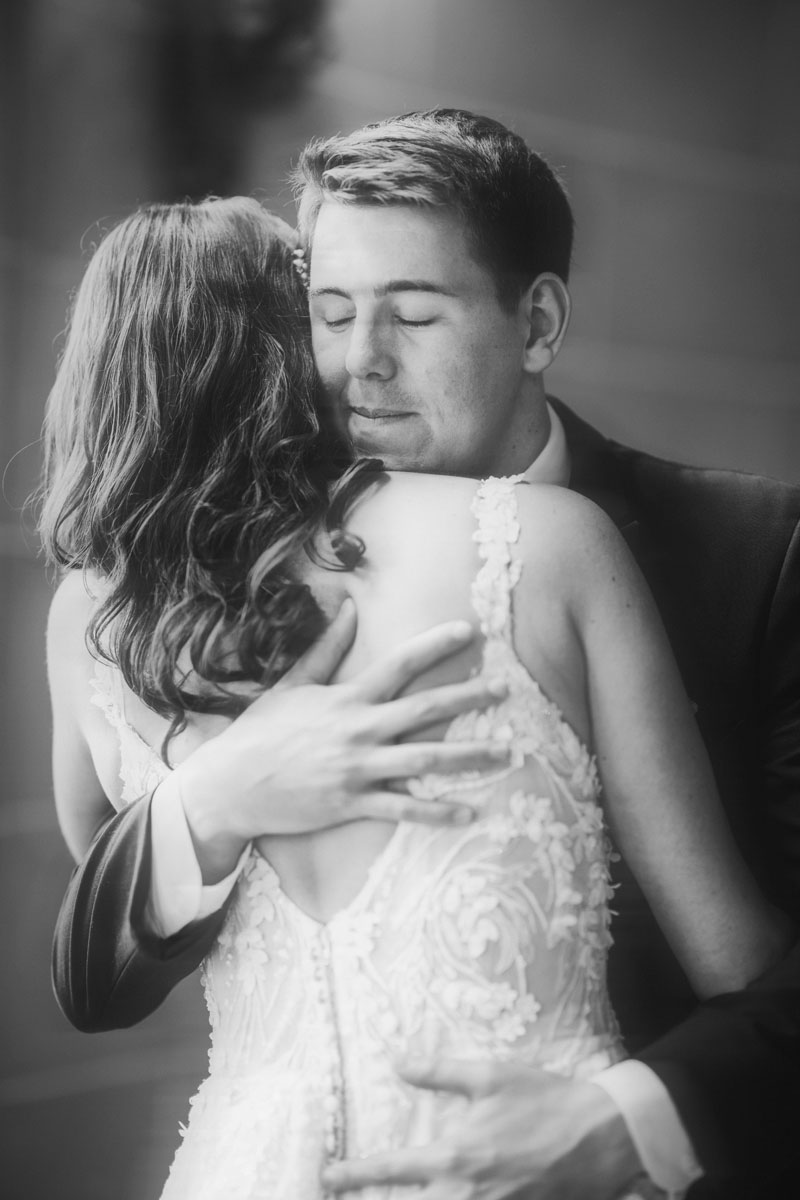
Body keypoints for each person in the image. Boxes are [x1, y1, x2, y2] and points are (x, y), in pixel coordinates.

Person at [48, 111, 800, 1200]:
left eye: (413, 314)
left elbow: (757, 970)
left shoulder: (752, 557)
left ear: (536, 321)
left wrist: (639, 1120)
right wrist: (215, 796)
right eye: (330, 313)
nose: (361, 364)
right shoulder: (179, 590)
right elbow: (91, 965)